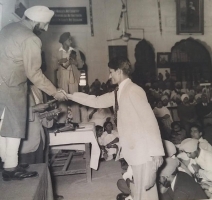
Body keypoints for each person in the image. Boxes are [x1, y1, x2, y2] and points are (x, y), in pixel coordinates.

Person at [67, 56, 165, 200]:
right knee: (138, 191)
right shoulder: (118, 92)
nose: (109, 75)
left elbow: (149, 121)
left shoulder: (134, 90)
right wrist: (70, 96)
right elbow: (95, 101)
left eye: (111, 72)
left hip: (143, 152)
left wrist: (157, 152)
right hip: (134, 150)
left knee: (147, 194)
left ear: (119, 71)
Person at [0, 6, 67, 181]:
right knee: (14, 127)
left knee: (2, 126)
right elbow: (34, 73)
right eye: (45, 24)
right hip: (12, 86)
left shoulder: (7, 28)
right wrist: (54, 92)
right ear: (37, 22)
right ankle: (10, 168)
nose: (46, 28)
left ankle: (7, 162)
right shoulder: (31, 38)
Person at [56, 32, 83, 123]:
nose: (71, 41)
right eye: (69, 39)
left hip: (73, 77)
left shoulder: (75, 51)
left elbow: (81, 64)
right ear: (64, 41)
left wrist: (75, 62)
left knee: (74, 99)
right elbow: (55, 67)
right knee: (62, 99)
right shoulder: (58, 52)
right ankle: (62, 122)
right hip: (63, 77)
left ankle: (76, 121)